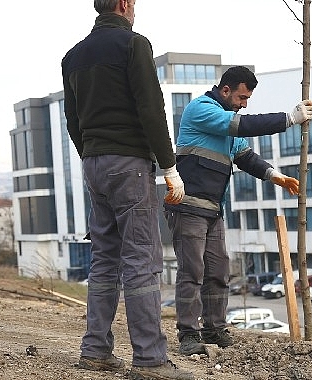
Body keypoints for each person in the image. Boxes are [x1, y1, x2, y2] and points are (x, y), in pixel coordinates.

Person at [61, 1, 192, 379]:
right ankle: (150, 359)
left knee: (104, 259)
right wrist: (169, 167)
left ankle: (95, 350)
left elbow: (73, 119)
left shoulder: (73, 56)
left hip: (94, 164)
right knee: (141, 261)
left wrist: (91, 155)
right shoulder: (133, 45)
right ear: (123, 5)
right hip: (129, 164)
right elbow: (152, 109)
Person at [164, 65, 312, 355]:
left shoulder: (225, 123)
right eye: (242, 98)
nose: (244, 104)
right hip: (189, 207)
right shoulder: (202, 110)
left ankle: (214, 329)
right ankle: (188, 335)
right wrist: (289, 119)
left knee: (218, 271)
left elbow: (244, 155)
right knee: (192, 272)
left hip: (213, 210)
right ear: (226, 90)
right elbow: (240, 125)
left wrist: (274, 175)